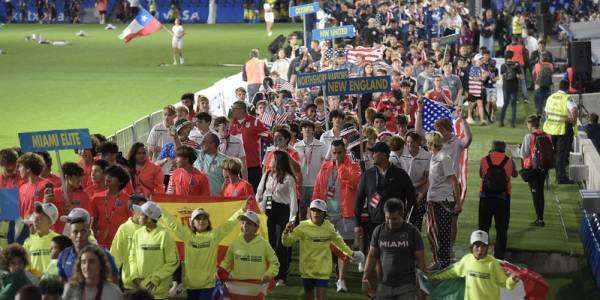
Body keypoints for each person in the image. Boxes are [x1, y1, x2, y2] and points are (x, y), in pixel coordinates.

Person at [159, 198, 248, 299]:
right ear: (192, 222)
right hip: (190, 285)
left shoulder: (213, 236)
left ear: (208, 222)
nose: (201, 221)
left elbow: (228, 224)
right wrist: (159, 209)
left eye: (204, 218)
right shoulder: (187, 236)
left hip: (208, 285)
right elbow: (173, 224)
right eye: (198, 219)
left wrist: (241, 211)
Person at [282, 199, 364, 299]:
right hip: (307, 271)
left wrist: (351, 254)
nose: (316, 213)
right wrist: (286, 233)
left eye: (319, 211)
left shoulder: (329, 227)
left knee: (321, 297)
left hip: (323, 272)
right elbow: (287, 242)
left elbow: (340, 243)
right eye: (313, 210)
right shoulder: (302, 227)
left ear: (324, 213)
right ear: (310, 212)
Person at [311, 139, 361, 292]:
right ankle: (334, 271)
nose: (337, 156)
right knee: (328, 248)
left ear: (345, 151)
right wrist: (314, 208)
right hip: (327, 214)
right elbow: (318, 189)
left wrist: (341, 169)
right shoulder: (325, 167)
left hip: (346, 213)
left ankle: (342, 280)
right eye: (334, 153)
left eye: (340, 152)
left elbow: (354, 183)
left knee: (344, 248)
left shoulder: (353, 165)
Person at [354, 142, 416, 259]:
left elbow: (412, 200)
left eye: (374, 153)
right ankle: (374, 275)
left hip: (395, 224)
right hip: (374, 223)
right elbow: (359, 200)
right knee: (375, 254)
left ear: (383, 155)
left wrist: (408, 221)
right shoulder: (368, 174)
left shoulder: (400, 174)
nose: (372, 155)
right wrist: (357, 224)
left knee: (394, 256)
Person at [362, 199, 425, 300]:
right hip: (384, 285)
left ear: (402, 215)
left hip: (406, 286)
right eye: (387, 218)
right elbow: (372, 255)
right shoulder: (378, 231)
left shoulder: (413, 232)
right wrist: (365, 278)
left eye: (394, 219)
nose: (390, 222)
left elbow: (421, 262)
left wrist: (422, 288)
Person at [428, 230, 518, 300]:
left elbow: (506, 283)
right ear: (471, 247)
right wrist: (437, 277)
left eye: (483, 246)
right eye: (477, 246)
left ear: (487, 248)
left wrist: (512, 280)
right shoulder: (467, 260)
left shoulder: (493, 263)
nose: (480, 250)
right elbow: (452, 272)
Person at [256, 150, 297, 286]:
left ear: (279, 161)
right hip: (268, 208)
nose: (270, 161)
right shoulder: (267, 174)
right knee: (269, 242)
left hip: (282, 210)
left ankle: (281, 276)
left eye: (272, 159)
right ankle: (269, 274)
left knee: (281, 245)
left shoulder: (288, 178)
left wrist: (292, 219)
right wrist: (258, 207)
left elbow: (293, 200)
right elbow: (260, 192)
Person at [425, 132, 461, 270]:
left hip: (443, 201)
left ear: (431, 143)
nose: (426, 144)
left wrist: (457, 202)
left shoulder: (443, 158)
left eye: (427, 142)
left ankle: (442, 261)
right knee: (433, 231)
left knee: (441, 232)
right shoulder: (434, 157)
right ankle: (441, 260)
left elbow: (454, 181)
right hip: (433, 199)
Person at [129, 201, 179, 299]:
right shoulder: (137, 234)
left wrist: (155, 279)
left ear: (149, 218)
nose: (138, 216)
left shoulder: (164, 235)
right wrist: (135, 276)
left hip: (159, 292)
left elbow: (173, 262)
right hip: (141, 290)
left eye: (141, 214)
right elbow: (132, 256)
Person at [479, 141, 517, 259]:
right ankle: (499, 257)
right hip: (503, 198)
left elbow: (481, 175)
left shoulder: (484, 159)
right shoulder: (509, 161)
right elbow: (514, 174)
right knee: (502, 229)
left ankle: (481, 254)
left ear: (492, 148)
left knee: (483, 227)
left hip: (485, 198)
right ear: (504, 149)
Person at [57, 208, 119, 281]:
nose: (67, 225)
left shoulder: (101, 253)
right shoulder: (64, 254)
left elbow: (113, 280)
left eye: (70, 222)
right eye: (68, 222)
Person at [219, 211, 279, 286]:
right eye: (243, 223)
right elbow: (226, 261)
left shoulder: (264, 244)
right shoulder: (235, 243)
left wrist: (268, 274)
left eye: (249, 223)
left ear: (256, 227)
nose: (245, 225)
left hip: (257, 287)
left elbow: (275, 263)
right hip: (237, 287)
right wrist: (221, 269)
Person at [229, 101, 270, 191]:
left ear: (242, 110)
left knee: (254, 192)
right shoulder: (231, 123)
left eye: (234, 108)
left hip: (252, 165)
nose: (232, 111)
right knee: (238, 193)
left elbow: (268, 134)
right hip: (235, 165)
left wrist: (264, 135)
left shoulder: (255, 122)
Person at [543, 80, 578, 184]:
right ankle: (561, 178)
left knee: (552, 153)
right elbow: (574, 109)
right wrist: (574, 121)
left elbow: (546, 111)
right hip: (563, 129)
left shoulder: (551, 97)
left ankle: (553, 174)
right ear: (568, 88)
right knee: (561, 155)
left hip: (551, 129)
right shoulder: (566, 98)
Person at [521, 115, 553, 227]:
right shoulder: (547, 135)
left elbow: (524, 153)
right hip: (544, 168)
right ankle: (540, 217)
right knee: (540, 193)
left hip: (533, 168)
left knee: (535, 193)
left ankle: (539, 219)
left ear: (530, 124)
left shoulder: (528, 137)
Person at [109, 195, 146, 290]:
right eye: (141, 208)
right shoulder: (124, 229)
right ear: (132, 210)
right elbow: (115, 256)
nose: (144, 212)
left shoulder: (151, 227)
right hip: (129, 286)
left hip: (150, 285)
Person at [90, 165, 131, 248]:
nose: (108, 177)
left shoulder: (128, 200)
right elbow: (94, 221)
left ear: (120, 182)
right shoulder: (96, 198)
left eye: (112, 176)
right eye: (107, 175)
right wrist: (93, 240)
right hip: (101, 244)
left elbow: (131, 224)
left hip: (120, 244)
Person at [44, 162, 92, 234]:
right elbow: (44, 217)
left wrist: (73, 212)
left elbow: (89, 219)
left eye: (80, 177)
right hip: (57, 237)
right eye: (77, 177)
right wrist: (46, 203)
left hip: (75, 237)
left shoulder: (83, 195)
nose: (80, 180)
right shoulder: (54, 194)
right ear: (67, 177)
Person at [294, 120, 327, 221]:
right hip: (301, 184)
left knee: (316, 213)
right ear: (301, 131)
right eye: (304, 128)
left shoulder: (321, 145)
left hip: (316, 184)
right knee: (301, 212)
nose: (307, 129)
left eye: (309, 128)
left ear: (313, 131)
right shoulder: (296, 146)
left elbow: (326, 163)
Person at [400, 131, 431, 231]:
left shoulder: (427, 156)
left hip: (419, 192)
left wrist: (416, 189)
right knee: (402, 217)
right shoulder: (401, 153)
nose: (409, 144)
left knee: (417, 219)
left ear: (418, 142)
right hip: (403, 191)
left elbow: (427, 178)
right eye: (408, 142)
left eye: (412, 142)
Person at [23, 202, 60, 277]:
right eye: (35, 218)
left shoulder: (59, 239)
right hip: (34, 285)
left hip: (52, 284)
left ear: (50, 222)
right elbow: (24, 265)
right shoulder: (28, 241)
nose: (36, 221)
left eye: (40, 219)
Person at [147, 105, 176, 183]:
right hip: (158, 167)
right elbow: (150, 146)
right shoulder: (156, 128)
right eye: (165, 114)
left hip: (172, 168)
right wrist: (156, 149)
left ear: (174, 116)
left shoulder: (176, 129)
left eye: (169, 115)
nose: (166, 117)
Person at [17, 152, 51, 219]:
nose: (18, 170)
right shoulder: (22, 188)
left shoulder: (47, 185)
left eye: (20, 166)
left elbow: (49, 211)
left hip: (40, 226)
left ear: (28, 169)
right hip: (25, 227)